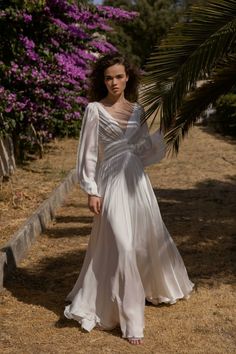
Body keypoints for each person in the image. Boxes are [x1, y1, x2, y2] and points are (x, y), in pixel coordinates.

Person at [64, 53, 194, 345]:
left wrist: (166, 128)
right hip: (109, 183)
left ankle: (148, 289)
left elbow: (144, 150)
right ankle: (132, 320)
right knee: (122, 244)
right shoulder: (94, 110)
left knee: (141, 243)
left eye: (119, 76)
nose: (114, 82)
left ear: (128, 78)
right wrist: (91, 190)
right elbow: (87, 154)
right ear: (103, 80)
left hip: (136, 183)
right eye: (108, 77)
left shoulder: (137, 111)